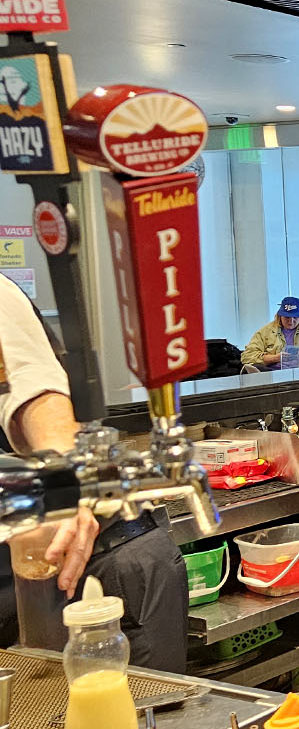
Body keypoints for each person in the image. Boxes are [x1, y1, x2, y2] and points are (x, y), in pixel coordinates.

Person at [0, 276, 187, 672]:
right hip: (22, 582)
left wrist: (65, 480)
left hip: (101, 560)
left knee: (132, 722)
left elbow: (37, 397)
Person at [240, 296, 299, 369]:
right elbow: (247, 357)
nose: (291, 321)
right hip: (275, 374)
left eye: (295, 317)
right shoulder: (265, 332)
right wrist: (275, 358)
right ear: (280, 316)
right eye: (287, 317)